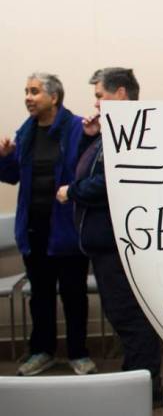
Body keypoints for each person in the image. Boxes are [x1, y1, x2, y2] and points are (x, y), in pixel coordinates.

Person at [56, 67, 163, 406]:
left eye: (100, 95)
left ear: (120, 94)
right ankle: (137, 380)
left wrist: (71, 192)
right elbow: (93, 169)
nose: (96, 102)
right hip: (105, 245)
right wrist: (91, 138)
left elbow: (111, 183)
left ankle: (145, 389)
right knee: (124, 317)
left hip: (119, 245)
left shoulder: (131, 130)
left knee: (131, 318)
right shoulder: (111, 131)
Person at [0, 73, 96, 376]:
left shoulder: (77, 129)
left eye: (34, 92)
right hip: (34, 230)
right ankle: (42, 351)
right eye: (26, 91)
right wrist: (3, 158)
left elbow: (90, 170)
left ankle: (78, 353)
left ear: (54, 98)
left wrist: (93, 136)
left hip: (67, 230)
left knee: (73, 295)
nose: (28, 97)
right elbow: (13, 175)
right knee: (40, 296)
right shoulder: (26, 132)